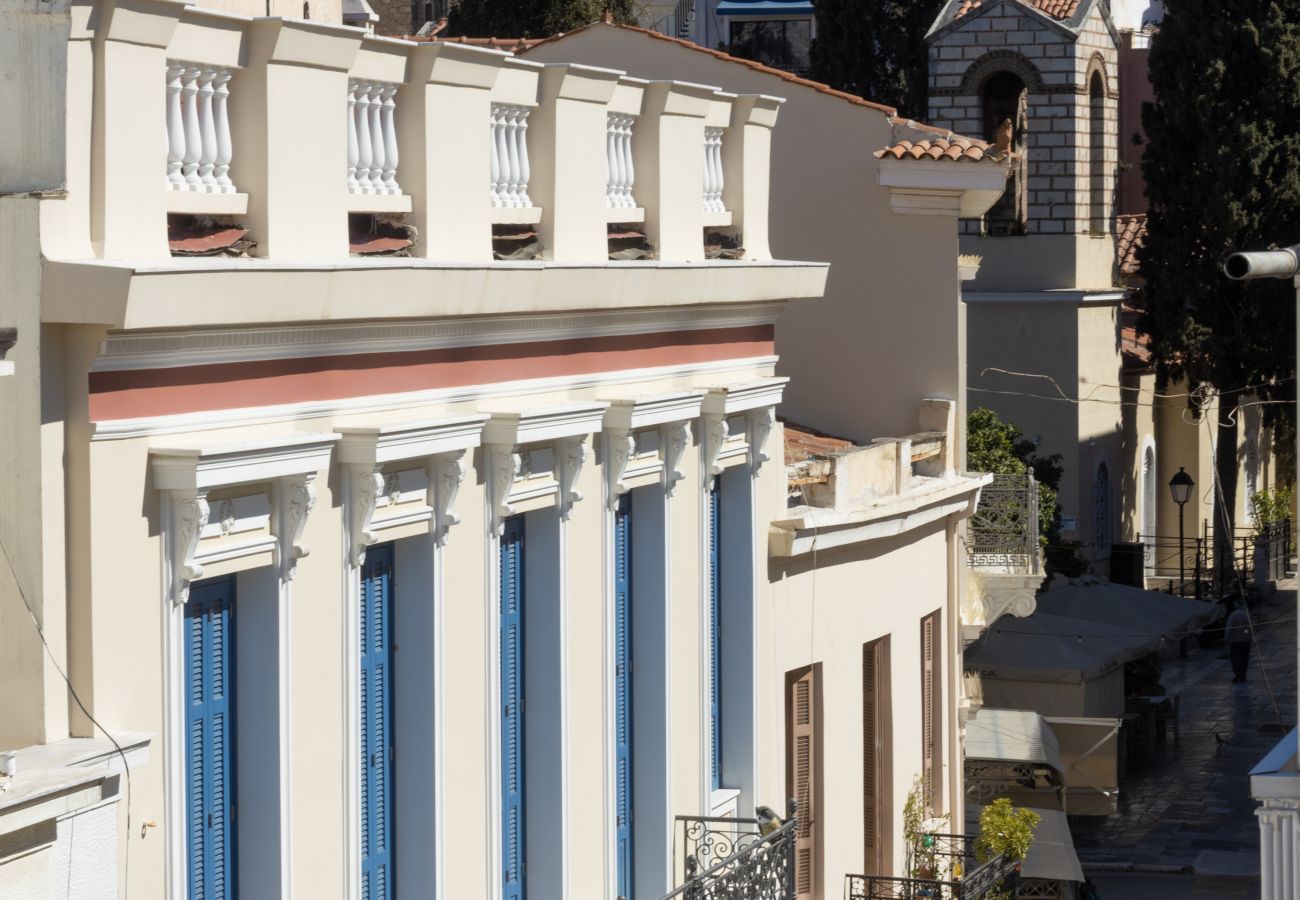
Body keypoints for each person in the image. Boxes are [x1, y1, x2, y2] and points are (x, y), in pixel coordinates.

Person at [1225, 603, 1253, 683]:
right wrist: (1247, 635)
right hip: (1246, 640)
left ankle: (1238, 673)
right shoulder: (1247, 615)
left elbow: (1229, 628)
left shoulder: (1233, 615)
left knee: (1235, 658)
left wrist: (1227, 639)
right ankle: (1243, 674)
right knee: (1244, 658)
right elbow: (1249, 628)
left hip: (1236, 641)